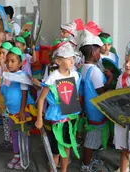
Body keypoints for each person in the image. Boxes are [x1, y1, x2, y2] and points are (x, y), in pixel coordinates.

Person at [35, 42, 81, 172]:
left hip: (70, 117)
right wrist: (39, 119)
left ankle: (64, 170)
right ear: (58, 61)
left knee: (67, 147)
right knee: (55, 151)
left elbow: (74, 95)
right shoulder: (53, 77)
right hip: (57, 119)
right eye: (68, 58)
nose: (72, 60)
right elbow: (42, 99)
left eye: (73, 57)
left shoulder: (75, 75)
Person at [78, 21, 113, 172]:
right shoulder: (96, 72)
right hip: (95, 108)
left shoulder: (82, 68)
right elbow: (101, 91)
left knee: (89, 135)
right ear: (93, 52)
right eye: (98, 50)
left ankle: (88, 158)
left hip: (87, 106)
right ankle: (86, 165)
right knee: (92, 138)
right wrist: (110, 79)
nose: (100, 53)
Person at [0, 47, 31, 170]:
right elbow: (6, 91)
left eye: (13, 61)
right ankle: (16, 155)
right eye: (7, 61)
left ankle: (24, 157)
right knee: (14, 135)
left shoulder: (22, 76)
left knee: (23, 136)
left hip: (21, 112)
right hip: (11, 112)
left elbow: (24, 95)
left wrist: (22, 111)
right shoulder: (8, 76)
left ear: (20, 63)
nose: (9, 64)